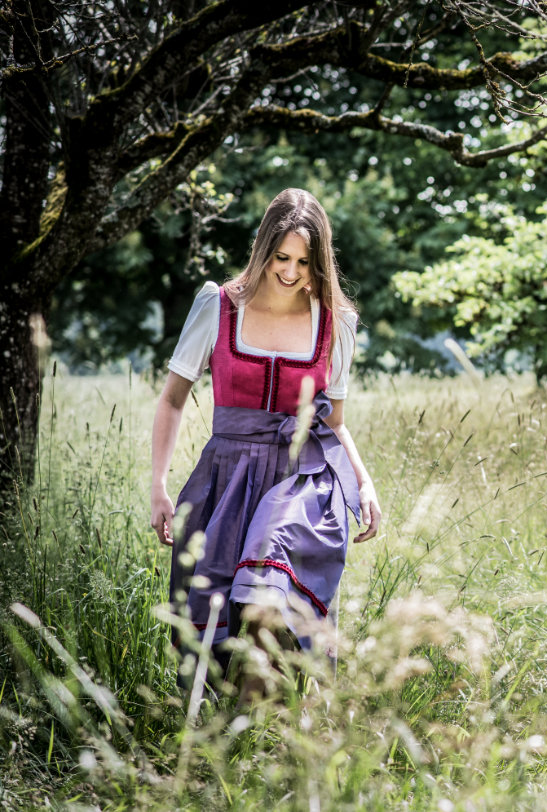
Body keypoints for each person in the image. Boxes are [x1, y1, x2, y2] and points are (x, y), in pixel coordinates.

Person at [150, 189, 382, 690]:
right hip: (226, 477)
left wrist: (364, 484)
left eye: (304, 261)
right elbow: (172, 399)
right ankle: (230, 736)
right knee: (212, 619)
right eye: (282, 257)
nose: (292, 272)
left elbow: (335, 421)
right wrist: (158, 485)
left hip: (301, 482)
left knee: (266, 603)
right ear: (263, 250)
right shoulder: (217, 306)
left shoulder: (336, 322)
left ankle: (259, 740)